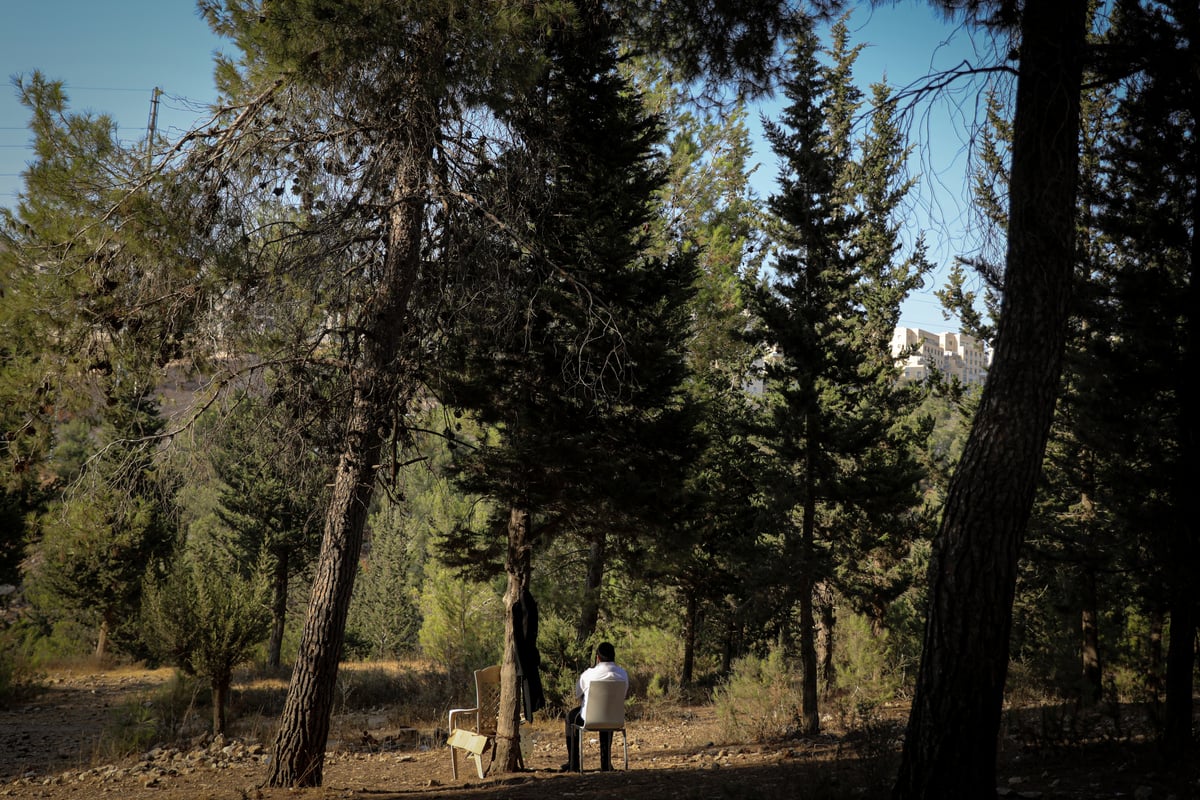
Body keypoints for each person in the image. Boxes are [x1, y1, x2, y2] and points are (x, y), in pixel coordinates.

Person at [563, 641, 628, 771]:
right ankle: (606, 763)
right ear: (614, 656)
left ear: (597, 657)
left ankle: (573, 763)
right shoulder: (623, 674)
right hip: (615, 719)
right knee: (607, 718)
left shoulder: (589, 674)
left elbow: (578, 694)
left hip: (590, 718)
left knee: (570, 717)